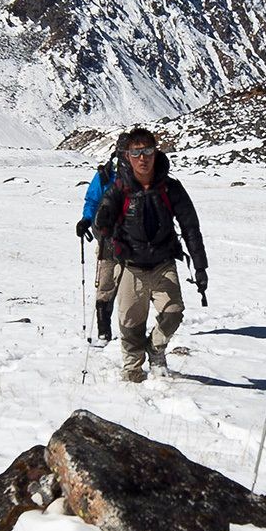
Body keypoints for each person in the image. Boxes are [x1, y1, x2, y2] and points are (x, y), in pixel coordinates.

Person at [89, 128, 209, 382]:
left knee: (173, 312)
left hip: (163, 264)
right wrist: (104, 228)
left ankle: (156, 348)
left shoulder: (171, 188)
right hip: (130, 266)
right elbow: (103, 217)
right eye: (136, 152)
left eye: (148, 151)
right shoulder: (119, 189)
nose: (142, 157)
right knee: (131, 324)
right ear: (128, 156)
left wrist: (200, 267)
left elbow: (190, 227)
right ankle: (132, 368)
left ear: (156, 152)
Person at [75, 146, 123, 343]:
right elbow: (92, 200)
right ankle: (104, 331)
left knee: (130, 285)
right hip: (107, 238)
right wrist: (86, 219)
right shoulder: (105, 176)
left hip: (132, 240)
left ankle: (127, 331)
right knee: (106, 283)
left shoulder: (138, 176)